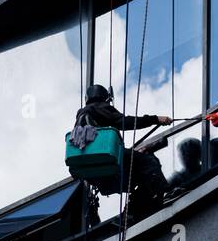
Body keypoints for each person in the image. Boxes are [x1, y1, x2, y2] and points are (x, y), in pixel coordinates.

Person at [71, 84, 172, 221]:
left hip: (99, 177)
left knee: (140, 176)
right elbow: (124, 122)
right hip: (106, 158)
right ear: (104, 98)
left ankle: (130, 212)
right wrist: (154, 119)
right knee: (147, 161)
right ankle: (164, 193)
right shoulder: (99, 107)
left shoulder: (81, 116)